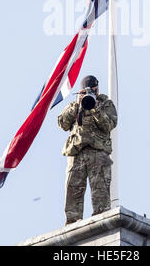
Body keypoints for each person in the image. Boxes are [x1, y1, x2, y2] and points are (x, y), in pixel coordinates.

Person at [58, 75, 117, 225]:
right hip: (76, 154)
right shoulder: (75, 104)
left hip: (98, 153)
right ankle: (72, 226)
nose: (93, 92)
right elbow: (62, 123)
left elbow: (109, 125)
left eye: (94, 89)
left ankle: (101, 225)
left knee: (101, 194)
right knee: (72, 192)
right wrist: (77, 106)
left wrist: (96, 108)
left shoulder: (105, 103)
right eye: (88, 90)